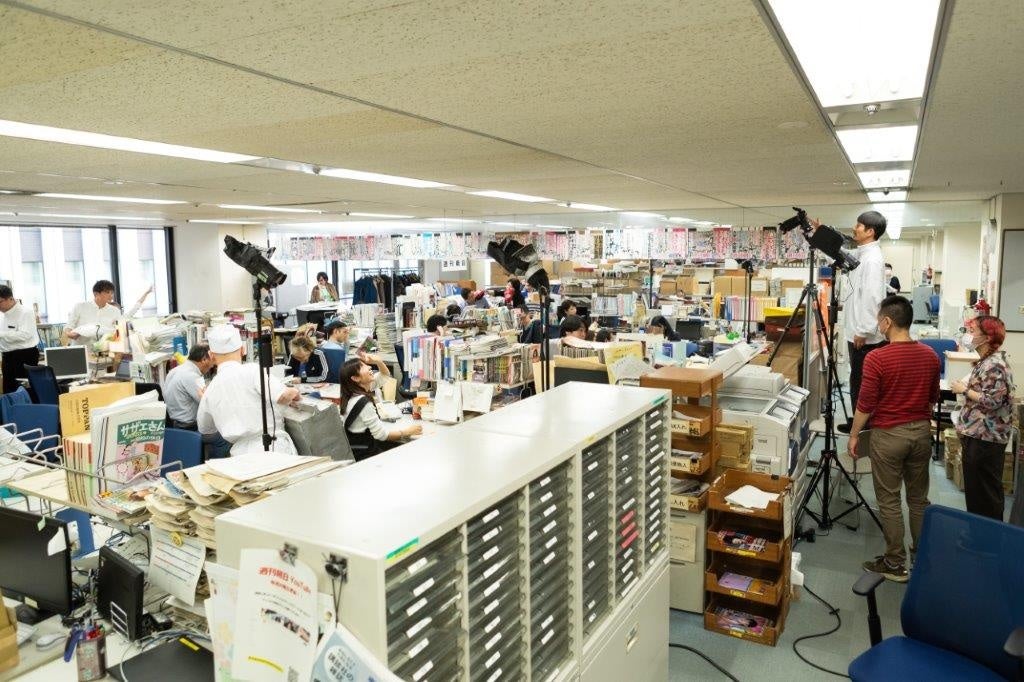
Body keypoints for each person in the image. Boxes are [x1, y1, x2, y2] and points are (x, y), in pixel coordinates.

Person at [847, 295, 939, 582]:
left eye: (878, 320)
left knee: (888, 500)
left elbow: (865, 404)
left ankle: (895, 563)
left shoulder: (877, 358)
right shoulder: (930, 356)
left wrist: (853, 435)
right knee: (918, 499)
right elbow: (933, 398)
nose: (878, 324)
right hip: (922, 433)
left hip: (888, 435)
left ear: (887, 322)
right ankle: (921, 558)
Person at [814, 211, 887, 434]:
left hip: (865, 336)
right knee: (857, 382)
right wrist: (821, 234)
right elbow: (839, 256)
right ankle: (858, 423)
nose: (854, 228)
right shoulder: (863, 254)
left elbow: (873, 298)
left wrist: (864, 330)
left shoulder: (873, 260)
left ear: (870, 232)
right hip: (857, 331)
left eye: (859, 225)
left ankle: (864, 430)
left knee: (863, 385)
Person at [197, 325, 301, 456]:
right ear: (243, 350)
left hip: (240, 456)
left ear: (211, 356)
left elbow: (205, 429)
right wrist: (294, 392)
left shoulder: (210, 389)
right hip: (272, 449)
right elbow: (282, 396)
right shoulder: (252, 370)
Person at [950, 315, 1016, 520]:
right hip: (980, 436)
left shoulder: (994, 365)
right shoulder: (987, 361)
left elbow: (992, 401)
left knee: (984, 494)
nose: (970, 335)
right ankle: (980, 538)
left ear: (987, 337)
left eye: (974, 331)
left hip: (985, 439)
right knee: (979, 492)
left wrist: (964, 390)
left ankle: (986, 543)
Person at [339, 356, 420, 460]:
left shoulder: (352, 393)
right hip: (365, 456)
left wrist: (378, 361)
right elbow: (381, 435)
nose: (369, 367)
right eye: (363, 367)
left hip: (357, 451)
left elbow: (385, 376)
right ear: (355, 378)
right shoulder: (363, 402)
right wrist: (407, 432)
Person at [163, 344, 232, 458]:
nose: (211, 367)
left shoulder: (175, 371)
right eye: (211, 364)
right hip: (191, 427)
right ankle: (215, 467)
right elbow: (208, 404)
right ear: (204, 360)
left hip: (176, 424)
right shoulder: (192, 376)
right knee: (225, 438)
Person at [0, 285, 41, 394]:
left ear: (11, 298)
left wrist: (1, 335)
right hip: (7, 357)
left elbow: (25, 335)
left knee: (25, 391)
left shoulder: (25, 312)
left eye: (0, 302)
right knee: (9, 391)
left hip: (24, 356)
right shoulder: (1, 314)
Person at [67, 280, 121, 346]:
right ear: (96, 294)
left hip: (103, 351)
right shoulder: (80, 306)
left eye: (112, 293)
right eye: (107, 292)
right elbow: (69, 327)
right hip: (81, 350)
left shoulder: (115, 311)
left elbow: (118, 331)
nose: (111, 296)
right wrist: (70, 334)